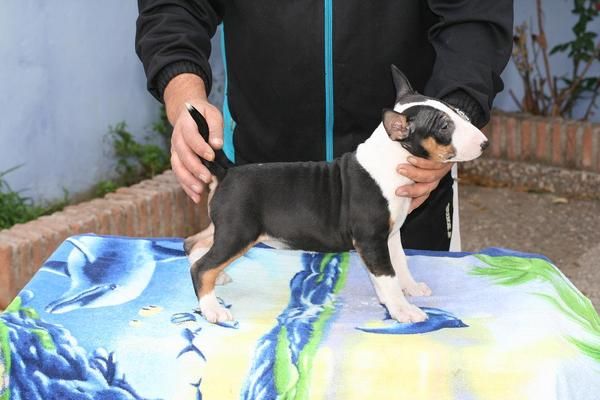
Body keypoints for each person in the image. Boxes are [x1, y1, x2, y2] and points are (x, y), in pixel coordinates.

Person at [135, 0, 513, 251]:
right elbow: (174, 5)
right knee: (269, 362)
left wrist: (452, 118)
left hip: (411, 192)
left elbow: (475, 17)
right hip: (268, 193)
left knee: (411, 361)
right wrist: (184, 92)